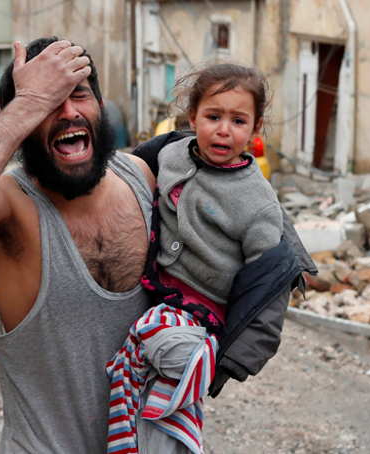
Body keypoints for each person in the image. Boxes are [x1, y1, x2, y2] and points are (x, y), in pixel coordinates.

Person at [0, 37, 159, 453]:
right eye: (49, 103)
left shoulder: (140, 175)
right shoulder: (9, 210)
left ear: (100, 105)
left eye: (78, 95)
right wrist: (29, 98)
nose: (67, 112)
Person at [106, 63, 284, 454]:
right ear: (192, 119)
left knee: (165, 364)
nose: (224, 129)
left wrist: (235, 359)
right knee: (130, 381)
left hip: (203, 314)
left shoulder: (258, 203)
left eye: (238, 121)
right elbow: (127, 179)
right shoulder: (169, 156)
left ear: (254, 131)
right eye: (213, 116)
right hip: (158, 295)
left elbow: (270, 282)